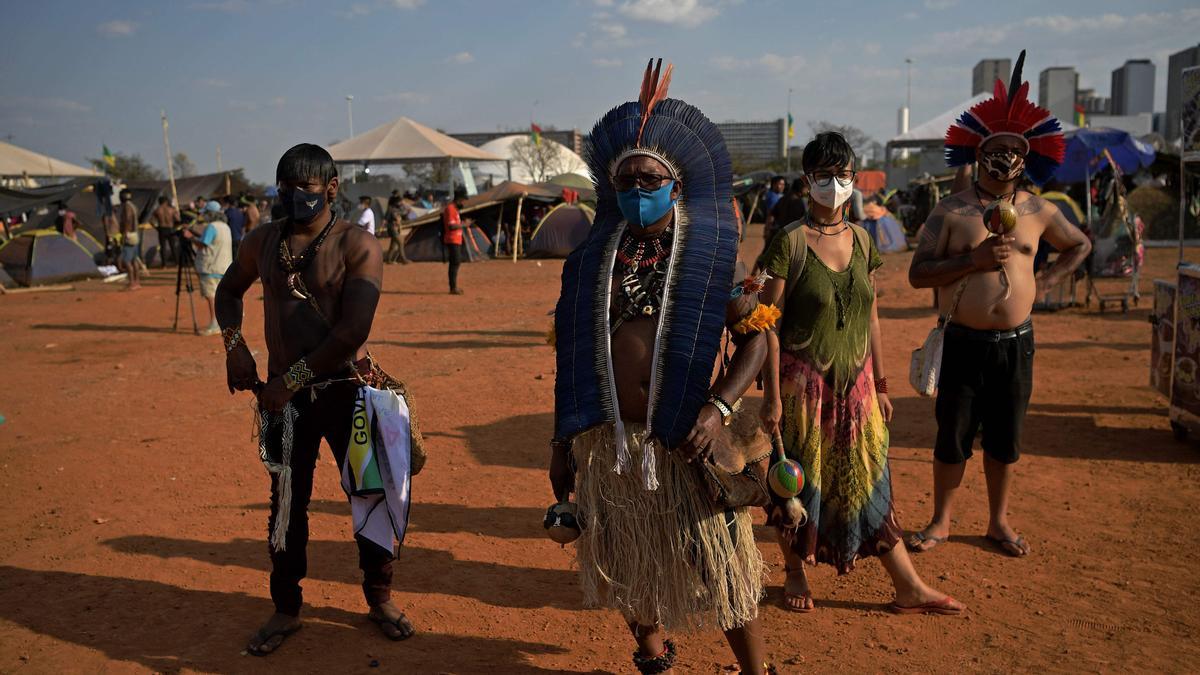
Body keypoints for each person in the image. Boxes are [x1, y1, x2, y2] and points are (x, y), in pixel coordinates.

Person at [550, 60, 777, 674]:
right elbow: (569, 353)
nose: (636, 191)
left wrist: (718, 407)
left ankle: (756, 671)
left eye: (649, 180)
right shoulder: (594, 257)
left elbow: (755, 343)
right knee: (625, 557)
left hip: (684, 437)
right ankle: (652, 653)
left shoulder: (708, 256)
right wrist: (561, 440)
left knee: (718, 559)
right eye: (625, 181)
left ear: (676, 185)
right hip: (609, 441)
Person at [216, 143, 420, 655]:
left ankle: (380, 598)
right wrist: (235, 346)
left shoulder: (359, 245)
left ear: (331, 188)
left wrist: (294, 378)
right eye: (284, 187)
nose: (292, 196)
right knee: (286, 504)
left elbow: (352, 331)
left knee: (369, 494)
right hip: (284, 404)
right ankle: (285, 607)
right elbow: (227, 291)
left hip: (346, 392)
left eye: (304, 188)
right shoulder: (262, 241)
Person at [758, 132, 963, 617]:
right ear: (808, 179)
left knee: (871, 480)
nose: (835, 184)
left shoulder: (865, 239)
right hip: (802, 391)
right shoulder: (788, 243)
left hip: (859, 391)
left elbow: (871, 316)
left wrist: (883, 383)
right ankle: (794, 571)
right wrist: (770, 396)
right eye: (824, 175)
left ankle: (908, 585)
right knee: (797, 484)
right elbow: (766, 323)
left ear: (854, 177)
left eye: (843, 174)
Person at [906, 51, 1091, 558]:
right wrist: (973, 260)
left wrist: (1046, 283)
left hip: (1016, 344)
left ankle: (998, 521)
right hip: (963, 341)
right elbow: (918, 273)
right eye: (997, 147)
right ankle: (941, 520)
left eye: (1015, 148)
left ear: (1027, 155)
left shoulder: (1039, 210)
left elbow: (1080, 245)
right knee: (953, 435)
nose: (1005, 156)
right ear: (979, 151)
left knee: (1006, 436)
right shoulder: (950, 211)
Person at [182, 201, 233, 335]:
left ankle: (214, 323)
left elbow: (203, 244)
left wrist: (189, 237)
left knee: (211, 296)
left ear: (210, 214)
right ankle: (227, 321)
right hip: (223, 266)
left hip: (210, 267)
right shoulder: (225, 227)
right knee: (222, 295)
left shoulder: (211, 226)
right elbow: (210, 240)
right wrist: (193, 233)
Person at [758, 178, 808, 267]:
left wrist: (768, 229)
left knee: (768, 259)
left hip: (777, 233)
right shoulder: (798, 202)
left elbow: (772, 215)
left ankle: (759, 277)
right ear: (801, 188)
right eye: (806, 187)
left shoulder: (783, 198)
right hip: (791, 236)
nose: (807, 190)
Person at [442, 191, 469, 294]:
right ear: (458, 199)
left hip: (457, 239)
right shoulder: (450, 209)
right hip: (452, 239)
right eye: (463, 201)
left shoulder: (455, 210)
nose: (464, 203)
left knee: (456, 262)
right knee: (455, 262)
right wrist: (464, 225)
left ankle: (453, 287)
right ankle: (453, 287)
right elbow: (451, 226)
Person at [116, 189, 142, 290]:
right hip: (135, 233)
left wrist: (125, 233)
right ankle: (137, 282)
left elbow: (127, 219)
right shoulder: (133, 206)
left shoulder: (126, 207)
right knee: (134, 259)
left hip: (129, 235)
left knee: (127, 260)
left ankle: (131, 283)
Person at [151, 196, 180, 267]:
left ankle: (164, 264)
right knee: (173, 246)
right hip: (170, 228)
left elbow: (151, 221)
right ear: (166, 201)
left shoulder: (157, 210)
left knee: (162, 247)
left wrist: (156, 228)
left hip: (162, 228)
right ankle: (177, 263)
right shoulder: (172, 209)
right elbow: (178, 219)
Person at [383, 196, 409, 264]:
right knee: (400, 243)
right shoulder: (390, 209)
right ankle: (404, 259)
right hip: (392, 228)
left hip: (396, 229)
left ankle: (388, 260)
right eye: (399, 202)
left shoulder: (396, 209)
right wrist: (380, 229)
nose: (400, 203)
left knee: (393, 246)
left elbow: (403, 214)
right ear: (395, 202)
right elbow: (385, 220)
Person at [224, 195, 247, 260]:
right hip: (238, 238)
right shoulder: (240, 213)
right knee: (236, 258)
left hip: (230, 238)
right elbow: (243, 226)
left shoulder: (227, 212)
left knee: (230, 258)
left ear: (227, 203)